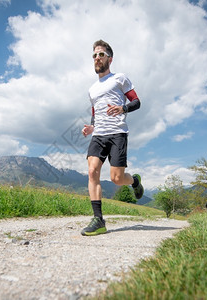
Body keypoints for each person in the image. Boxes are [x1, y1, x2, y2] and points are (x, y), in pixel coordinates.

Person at [81, 39, 144, 236]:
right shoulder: (92, 89)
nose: (97, 58)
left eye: (101, 54)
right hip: (99, 135)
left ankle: (134, 181)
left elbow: (136, 101)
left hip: (117, 132)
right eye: (94, 55)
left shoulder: (120, 79)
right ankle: (98, 220)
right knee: (92, 172)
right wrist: (92, 126)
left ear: (110, 58)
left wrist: (123, 108)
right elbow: (95, 111)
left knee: (117, 179)